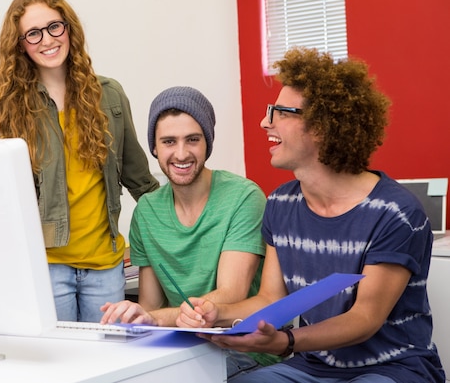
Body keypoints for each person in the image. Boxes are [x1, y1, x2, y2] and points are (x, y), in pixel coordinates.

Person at [177, 47, 446, 383]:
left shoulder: (395, 212)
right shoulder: (280, 204)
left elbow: (364, 319)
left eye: (280, 113)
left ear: (321, 126)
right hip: (313, 366)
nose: (265, 122)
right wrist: (218, 314)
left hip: (393, 369)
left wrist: (287, 341)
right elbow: (270, 299)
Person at [0, 0, 159, 323]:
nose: (47, 40)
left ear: (68, 28)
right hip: (45, 265)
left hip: (105, 266)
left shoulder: (108, 95)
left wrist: (187, 223)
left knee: (108, 365)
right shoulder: (5, 108)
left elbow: (140, 180)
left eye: (54, 27)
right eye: (33, 34)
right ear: (20, 45)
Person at [100, 86, 279, 376]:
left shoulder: (244, 197)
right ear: (154, 147)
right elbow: (151, 305)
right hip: (183, 350)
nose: (181, 153)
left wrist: (153, 319)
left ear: (207, 142)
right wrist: (137, 316)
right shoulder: (147, 211)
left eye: (192, 140)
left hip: (241, 350)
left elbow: (231, 296)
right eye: (169, 141)